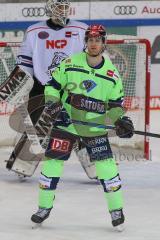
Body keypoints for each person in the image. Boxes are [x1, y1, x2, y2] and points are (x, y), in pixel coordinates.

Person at [31, 24, 134, 230]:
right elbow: (53, 85)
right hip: (66, 123)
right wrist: (52, 103)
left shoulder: (112, 74)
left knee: (107, 167)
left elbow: (114, 106)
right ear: (85, 42)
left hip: (93, 127)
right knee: (52, 164)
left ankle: (116, 210)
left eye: (97, 40)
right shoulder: (70, 63)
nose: (93, 43)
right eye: (90, 40)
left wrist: (120, 121)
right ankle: (44, 207)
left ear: (104, 43)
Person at [6, 0, 94, 179]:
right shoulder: (34, 31)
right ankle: (22, 164)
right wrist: (18, 82)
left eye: (65, 7)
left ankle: (95, 164)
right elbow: (25, 61)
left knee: (81, 124)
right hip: (42, 85)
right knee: (38, 125)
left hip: (73, 86)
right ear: (50, 8)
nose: (63, 10)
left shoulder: (82, 29)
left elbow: (90, 57)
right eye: (59, 7)